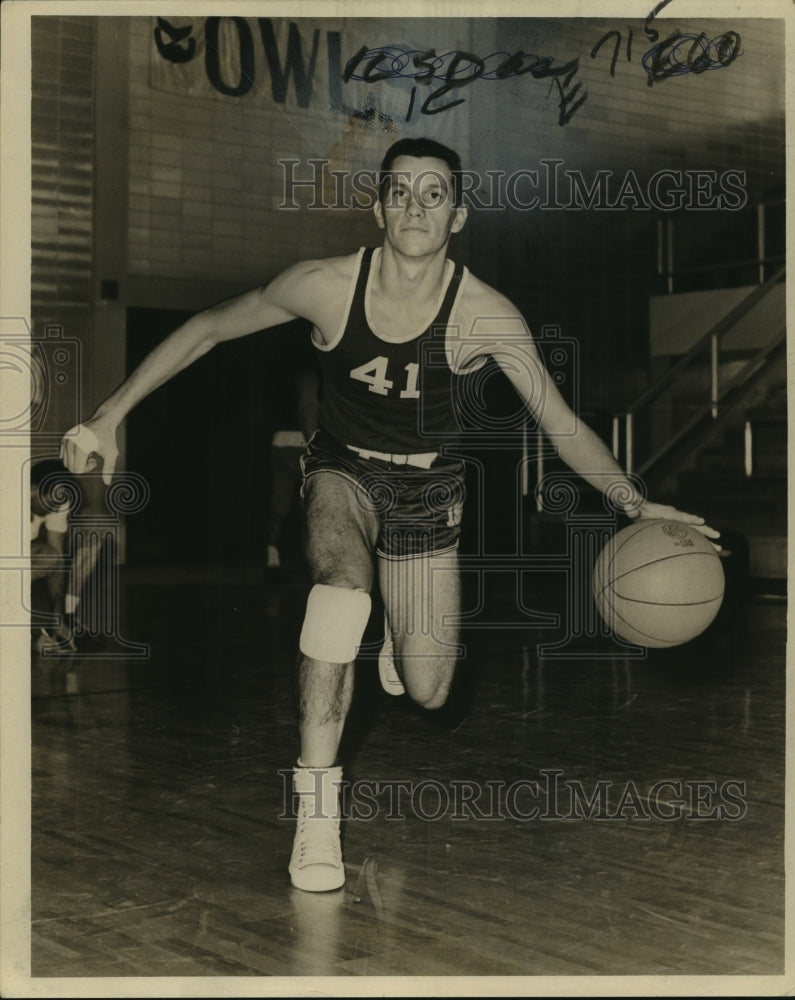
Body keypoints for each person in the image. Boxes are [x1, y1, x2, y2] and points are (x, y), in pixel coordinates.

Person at [60, 137, 719, 893]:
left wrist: (633, 503)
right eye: (399, 191)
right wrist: (110, 415)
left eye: (432, 193)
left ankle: (395, 641)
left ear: (458, 215)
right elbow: (208, 325)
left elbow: (560, 423)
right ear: (377, 208)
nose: (414, 205)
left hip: (429, 492)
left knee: (430, 688)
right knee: (339, 592)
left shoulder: (486, 316)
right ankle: (316, 816)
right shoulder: (323, 285)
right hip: (340, 470)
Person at [264, 323, 320, 582]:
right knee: (312, 505)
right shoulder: (310, 371)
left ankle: (272, 556)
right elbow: (307, 407)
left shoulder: (277, 370)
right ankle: (313, 562)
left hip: (279, 442)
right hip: (302, 443)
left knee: (280, 500)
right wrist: (313, 445)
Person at [30, 458, 77, 653]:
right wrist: (31, 635)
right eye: (51, 503)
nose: (55, 509)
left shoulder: (58, 500)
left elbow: (58, 560)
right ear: (32, 490)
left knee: (52, 556)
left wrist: (57, 620)